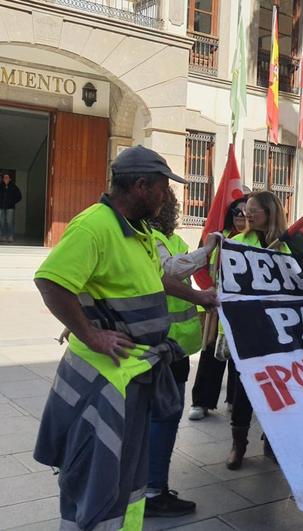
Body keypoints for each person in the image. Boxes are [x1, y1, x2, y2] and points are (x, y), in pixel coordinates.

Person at [32, 146, 217, 531]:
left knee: (126, 475)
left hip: (134, 374)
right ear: (141, 185)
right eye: (163, 188)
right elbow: (51, 280)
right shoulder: (95, 226)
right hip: (105, 379)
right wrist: (90, 334)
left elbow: (157, 278)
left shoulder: (139, 231)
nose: (166, 197)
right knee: (99, 476)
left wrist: (199, 296)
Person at [145, 188, 222, 517]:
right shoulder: (148, 238)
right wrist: (207, 251)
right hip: (159, 343)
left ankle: (151, 485)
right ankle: (151, 490)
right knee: (162, 417)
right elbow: (170, 272)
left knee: (165, 416)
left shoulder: (169, 239)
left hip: (173, 344)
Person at [226, 191, 291, 470]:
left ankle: (272, 441)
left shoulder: (289, 245)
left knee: (277, 387)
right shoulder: (237, 243)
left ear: (271, 213)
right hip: (247, 328)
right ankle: (238, 445)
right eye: (244, 211)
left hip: (279, 328)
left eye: (254, 210)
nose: (247, 215)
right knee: (244, 389)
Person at [188, 196, 249, 421]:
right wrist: (209, 291)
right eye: (237, 213)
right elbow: (203, 267)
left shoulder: (258, 241)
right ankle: (201, 402)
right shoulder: (219, 238)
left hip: (243, 310)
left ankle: (235, 400)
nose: (241, 217)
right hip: (218, 306)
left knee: (239, 358)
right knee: (211, 353)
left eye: (246, 213)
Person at [0, 172, 22, 243]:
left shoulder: (14, 187)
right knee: (2, 222)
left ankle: (10, 237)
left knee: (9, 222)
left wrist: (12, 202)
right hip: (1, 207)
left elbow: (19, 196)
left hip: (10, 208)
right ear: (3, 179)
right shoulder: (0, 186)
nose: (5, 179)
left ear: (10, 179)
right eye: (4, 177)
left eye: (7, 177)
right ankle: (3, 237)